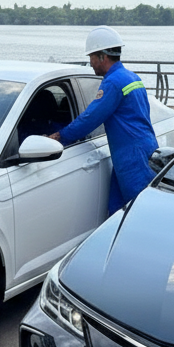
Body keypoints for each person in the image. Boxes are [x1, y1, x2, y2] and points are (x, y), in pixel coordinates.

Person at [49, 26, 158, 214]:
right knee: (116, 213)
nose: (90, 63)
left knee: (136, 214)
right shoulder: (132, 78)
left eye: (91, 57)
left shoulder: (113, 83)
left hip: (132, 158)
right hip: (140, 150)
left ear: (102, 56)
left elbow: (90, 118)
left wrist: (59, 136)